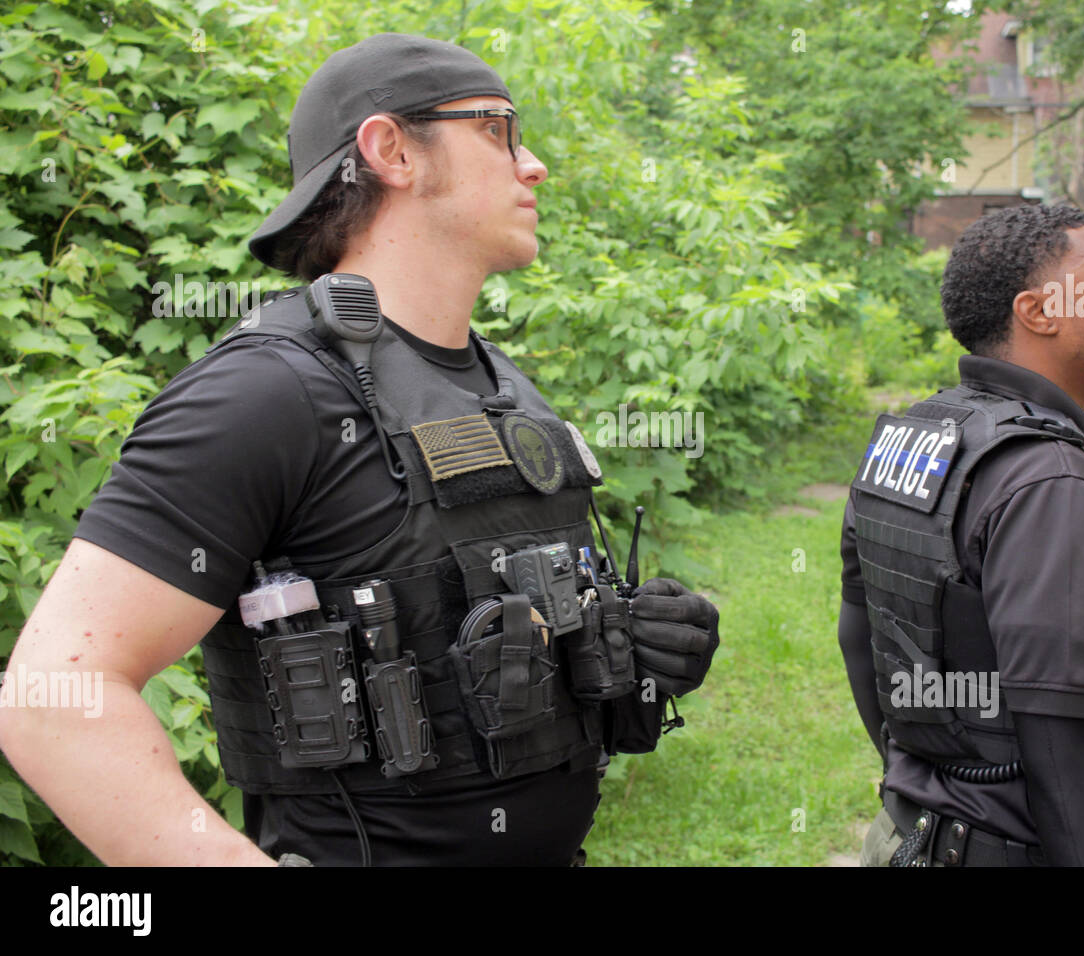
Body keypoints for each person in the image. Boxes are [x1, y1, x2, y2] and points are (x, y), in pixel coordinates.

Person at [0, 33, 718, 867]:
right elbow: (54, 694)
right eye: (498, 130)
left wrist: (634, 643)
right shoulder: (264, 394)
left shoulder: (500, 384)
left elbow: (482, 638)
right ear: (390, 151)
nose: (533, 166)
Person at [840, 202, 1084, 866]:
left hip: (910, 838)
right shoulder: (1054, 489)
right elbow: (1071, 763)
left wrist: (932, 781)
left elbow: (859, 641)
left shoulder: (917, 439)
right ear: (1039, 313)